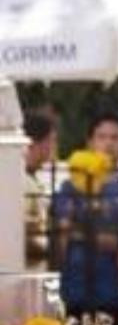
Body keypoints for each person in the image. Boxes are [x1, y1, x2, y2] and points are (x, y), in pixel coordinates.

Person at [52, 112, 118, 325]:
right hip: (74, 295)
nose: (108, 143)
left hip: (116, 299)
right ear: (90, 142)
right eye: (102, 136)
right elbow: (60, 235)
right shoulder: (70, 188)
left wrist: (84, 233)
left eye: (115, 137)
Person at [23, 109, 58, 270]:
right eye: (52, 140)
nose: (54, 147)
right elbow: (20, 234)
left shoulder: (30, 180)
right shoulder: (23, 183)